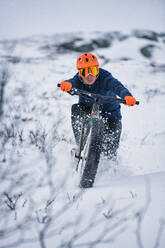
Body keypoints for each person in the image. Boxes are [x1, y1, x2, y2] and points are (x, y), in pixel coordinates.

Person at [59, 52, 136, 160]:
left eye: (93, 71)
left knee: (110, 151)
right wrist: (67, 84)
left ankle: (108, 169)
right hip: (87, 110)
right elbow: (72, 82)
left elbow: (118, 87)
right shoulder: (78, 79)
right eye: (84, 72)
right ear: (80, 74)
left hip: (110, 115)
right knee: (76, 109)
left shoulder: (106, 78)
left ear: (97, 70)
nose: (89, 76)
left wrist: (127, 96)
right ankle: (81, 144)